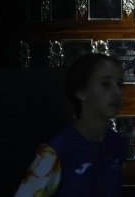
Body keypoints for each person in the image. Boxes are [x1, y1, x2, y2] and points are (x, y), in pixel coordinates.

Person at [14, 54, 127, 197]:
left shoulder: (118, 145)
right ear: (81, 91)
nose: (117, 92)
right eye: (105, 84)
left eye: (120, 84)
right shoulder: (56, 151)